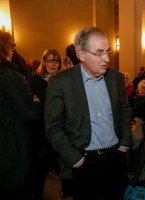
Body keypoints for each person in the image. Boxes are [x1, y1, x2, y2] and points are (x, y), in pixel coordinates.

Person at [44, 27, 132, 200]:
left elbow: (124, 111)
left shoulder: (115, 78)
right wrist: (75, 159)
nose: (106, 59)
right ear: (81, 54)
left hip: (116, 157)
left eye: (108, 52)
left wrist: (125, 144)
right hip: (83, 162)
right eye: (99, 53)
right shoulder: (60, 83)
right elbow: (53, 127)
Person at [0, 30, 41, 200]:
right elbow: (31, 112)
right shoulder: (10, 76)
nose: (13, 50)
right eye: (12, 46)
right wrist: (37, 101)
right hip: (9, 149)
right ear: (7, 47)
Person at [30, 49, 65, 200]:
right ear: (44, 62)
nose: (53, 64)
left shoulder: (63, 80)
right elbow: (34, 104)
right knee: (40, 168)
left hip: (60, 129)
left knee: (63, 166)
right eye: (49, 60)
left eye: (55, 61)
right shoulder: (36, 80)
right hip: (41, 130)